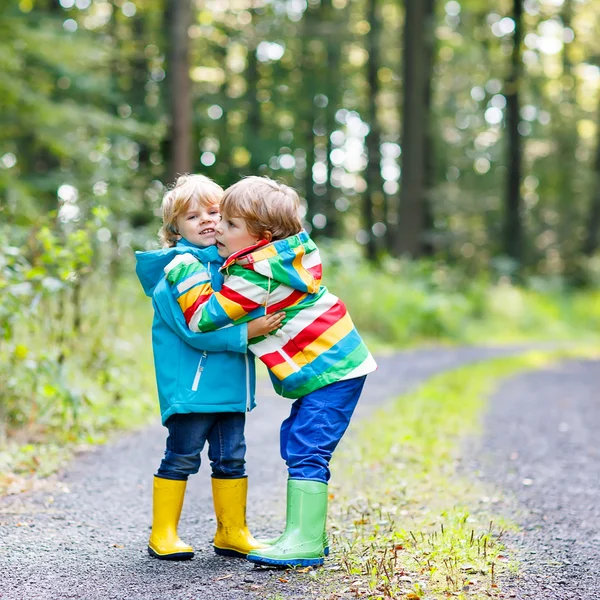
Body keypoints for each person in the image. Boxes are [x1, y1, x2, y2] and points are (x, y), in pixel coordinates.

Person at [164, 176, 377, 567]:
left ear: (260, 234)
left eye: (229, 224)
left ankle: (305, 542)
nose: (217, 229)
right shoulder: (283, 257)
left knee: (307, 446)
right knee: (299, 438)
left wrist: (184, 273)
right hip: (336, 364)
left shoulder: (256, 276)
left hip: (329, 370)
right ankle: (308, 532)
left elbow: (205, 316)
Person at [135, 175, 283, 561]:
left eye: (214, 212)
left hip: (231, 387)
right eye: (191, 216)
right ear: (174, 230)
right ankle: (162, 533)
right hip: (193, 389)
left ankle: (232, 531)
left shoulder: (233, 268)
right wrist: (247, 332)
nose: (205, 220)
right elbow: (194, 330)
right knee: (182, 456)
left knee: (232, 457)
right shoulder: (180, 269)